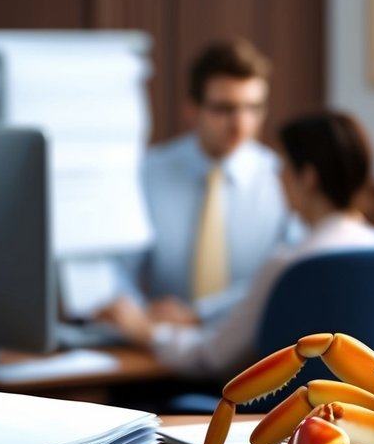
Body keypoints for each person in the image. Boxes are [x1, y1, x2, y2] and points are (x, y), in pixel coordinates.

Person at [98, 109, 374, 381]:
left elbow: (213, 356)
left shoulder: (291, 265)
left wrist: (145, 331)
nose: (278, 177)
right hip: (366, 423)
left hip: (280, 423)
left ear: (309, 178)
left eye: (285, 168)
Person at [115, 37, 304, 328]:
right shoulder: (149, 172)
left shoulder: (284, 179)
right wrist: (135, 313)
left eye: (253, 108)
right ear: (192, 108)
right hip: (159, 344)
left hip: (251, 347)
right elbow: (121, 267)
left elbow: (289, 274)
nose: (240, 124)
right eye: (224, 109)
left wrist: (201, 314)